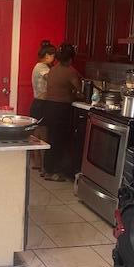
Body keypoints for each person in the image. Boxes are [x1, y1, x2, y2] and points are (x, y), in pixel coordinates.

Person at [43, 42, 82, 181]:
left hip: (49, 107)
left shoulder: (53, 69)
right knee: (58, 141)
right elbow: (79, 89)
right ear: (70, 59)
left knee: (51, 138)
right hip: (61, 109)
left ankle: (46, 168)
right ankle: (51, 172)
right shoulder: (70, 71)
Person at [30, 40, 56, 171]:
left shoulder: (38, 66)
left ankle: (37, 163)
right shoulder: (43, 68)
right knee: (43, 135)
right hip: (42, 104)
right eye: (53, 56)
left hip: (37, 104)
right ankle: (43, 166)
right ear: (47, 56)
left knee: (37, 134)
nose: (54, 59)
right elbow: (52, 79)